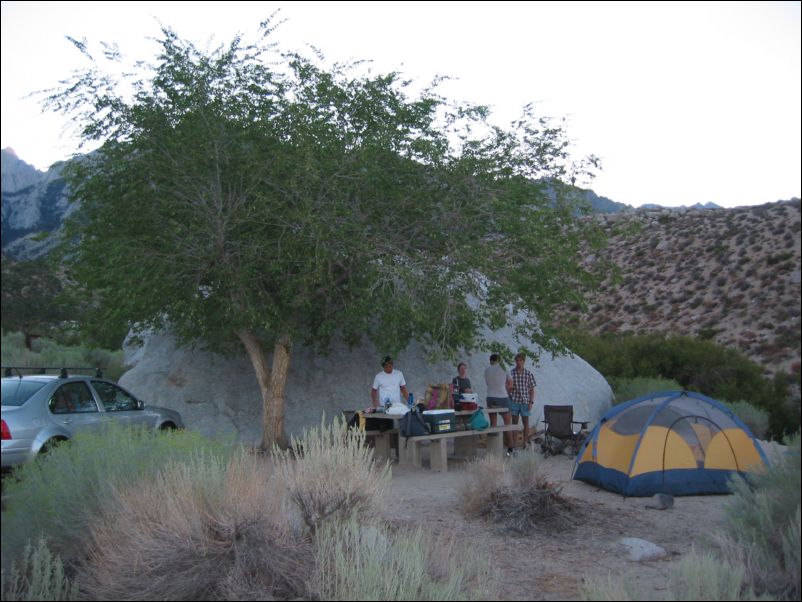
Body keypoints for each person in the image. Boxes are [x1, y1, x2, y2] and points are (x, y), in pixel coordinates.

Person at [484, 353, 514, 454]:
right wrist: (506, 390)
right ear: (499, 360)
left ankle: (494, 449)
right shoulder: (504, 366)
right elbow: (510, 384)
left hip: (490, 397)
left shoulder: (487, 370)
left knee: (493, 424)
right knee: (507, 424)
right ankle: (510, 448)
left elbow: (488, 384)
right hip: (502, 397)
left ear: (491, 361)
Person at [509, 352, 537, 451]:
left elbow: (532, 389)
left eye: (520, 360)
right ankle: (514, 444)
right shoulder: (511, 373)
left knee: (526, 423)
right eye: (517, 360)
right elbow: (508, 387)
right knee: (514, 423)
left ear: (524, 361)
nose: (518, 362)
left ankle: (525, 443)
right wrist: (509, 396)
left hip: (525, 401)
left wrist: (531, 402)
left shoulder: (528, 373)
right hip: (514, 401)